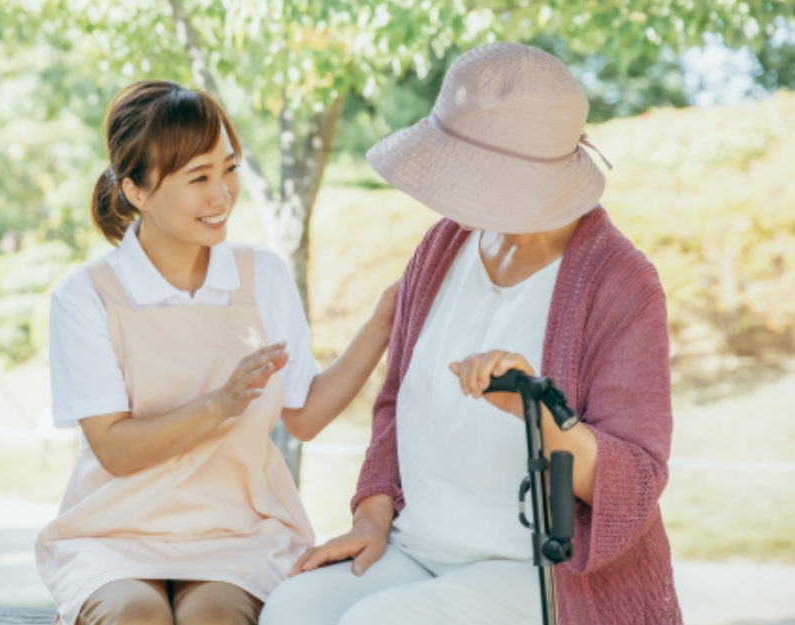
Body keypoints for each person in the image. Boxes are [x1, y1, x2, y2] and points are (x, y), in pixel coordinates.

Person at [261, 42, 682, 625]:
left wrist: (539, 408)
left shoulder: (620, 283)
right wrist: (372, 517)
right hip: (416, 547)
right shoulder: (442, 247)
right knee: (293, 608)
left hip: (536, 572)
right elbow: (393, 407)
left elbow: (636, 480)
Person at [35, 80, 398, 625]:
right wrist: (220, 404)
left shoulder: (263, 275)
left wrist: (380, 325)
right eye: (198, 177)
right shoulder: (87, 295)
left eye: (228, 168)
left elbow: (304, 415)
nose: (222, 194)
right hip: (115, 533)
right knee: (134, 615)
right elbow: (114, 449)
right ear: (136, 190)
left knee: (217, 619)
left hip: (239, 531)